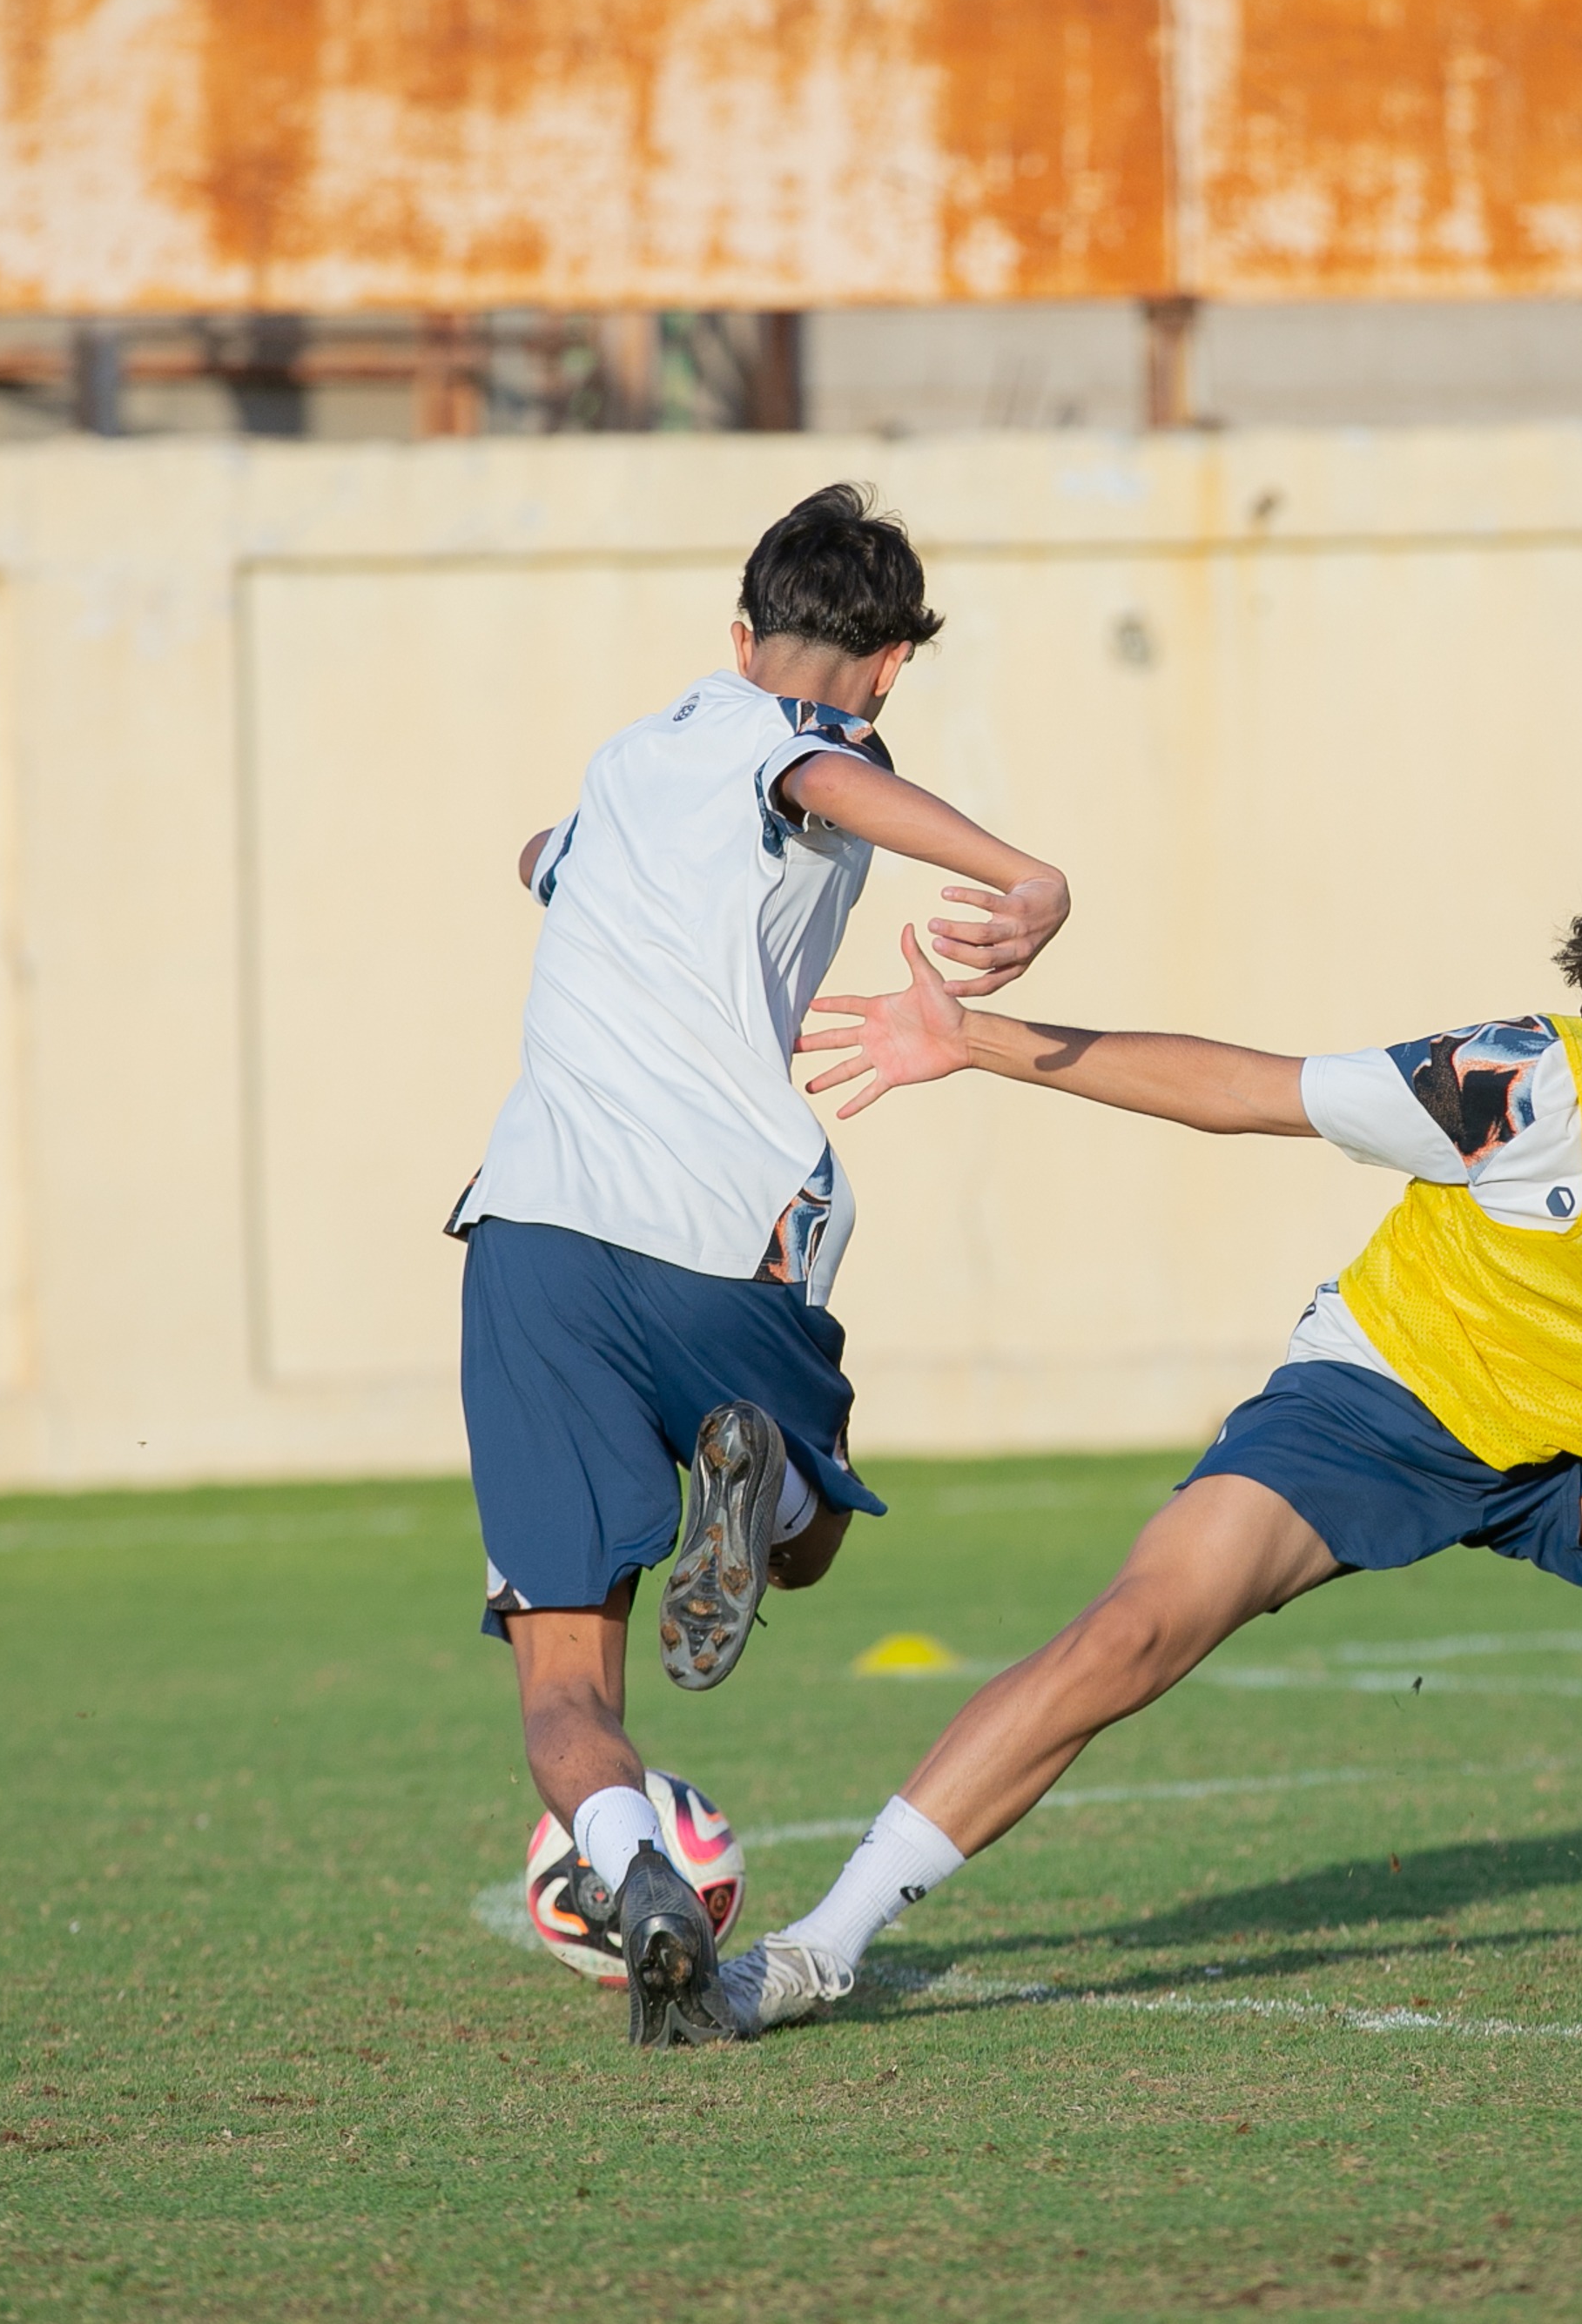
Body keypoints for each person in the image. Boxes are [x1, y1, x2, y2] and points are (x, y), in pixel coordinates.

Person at [711, 836, 1582, 2041]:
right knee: (1133, 1634)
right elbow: (1245, 1089)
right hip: (1382, 1407)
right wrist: (975, 1041)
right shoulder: (1514, 1084)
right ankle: (820, 1949)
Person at [450, 483, 1072, 2045]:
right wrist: (1023, 874)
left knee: (563, 1687)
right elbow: (816, 767)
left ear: (737, 633)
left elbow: (542, 851)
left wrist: (582, 870)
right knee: (805, 1549)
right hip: (722, 1225)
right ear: (893, 666)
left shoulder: (629, 762)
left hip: (530, 1237)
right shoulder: (815, 738)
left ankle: (629, 1868)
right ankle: (768, 1486)